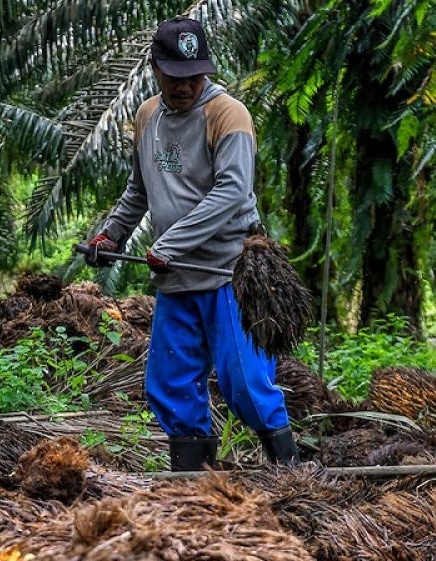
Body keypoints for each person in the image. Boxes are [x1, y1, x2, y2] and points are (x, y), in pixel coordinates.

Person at [84, 16, 298, 471]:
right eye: (176, 77)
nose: (185, 86)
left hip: (229, 274)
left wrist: (171, 243)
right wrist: (110, 234)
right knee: (172, 384)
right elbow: (139, 191)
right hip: (177, 280)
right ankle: (193, 487)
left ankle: (291, 477)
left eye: (195, 76)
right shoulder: (147, 117)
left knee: (246, 384)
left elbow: (233, 191)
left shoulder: (227, 115)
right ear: (155, 69)